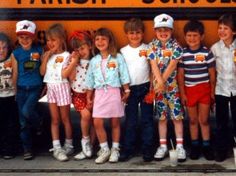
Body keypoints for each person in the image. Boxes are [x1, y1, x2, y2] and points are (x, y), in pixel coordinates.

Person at [86, 28, 130, 164]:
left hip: (114, 92)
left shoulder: (117, 57)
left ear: (109, 41)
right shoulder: (94, 60)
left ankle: (115, 148)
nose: (100, 42)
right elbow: (90, 79)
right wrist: (89, 95)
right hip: (99, 93)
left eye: (103, 39)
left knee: (115, 122)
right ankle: (104, 148)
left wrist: (127, 90)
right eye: (97, 39)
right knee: (97, 122)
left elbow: (123, 74)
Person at [146, 13, 186, 162]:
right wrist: (159, 83)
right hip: (158, 88)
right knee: (162, 118)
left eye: (166, 30)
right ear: (155, 31)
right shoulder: (152, 46)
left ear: (171, 31)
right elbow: (153, 65)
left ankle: (180, 146)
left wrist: (162, 82)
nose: (163, 33)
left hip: (172, 88)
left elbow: (172, 65)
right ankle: (163, 146)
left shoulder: (176, 46)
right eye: (160, 30)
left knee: (177, 117)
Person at [177, 20, 216, 160]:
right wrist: (182, 93)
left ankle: (206, 146)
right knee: (193, 120)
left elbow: (212, 74)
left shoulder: (207, 53)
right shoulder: (183, 54)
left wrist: (212, 92)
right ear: (185, 37)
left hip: (204, 89)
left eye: (195, 35)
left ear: (202, 36)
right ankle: (195, 146)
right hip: (189, 90)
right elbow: (181, 75)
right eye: (189, 36)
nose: (192, 39)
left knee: (204, 120)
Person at [119, 18, 154, 162]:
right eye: (131, 33)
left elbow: (152, 68)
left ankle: (147, 148)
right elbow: (121, 71)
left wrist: (152, 87)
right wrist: (124, 89)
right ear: (126, 34)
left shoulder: (148, 48)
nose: (135, 36)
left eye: (138, 32)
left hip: (145, 87)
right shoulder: (122, 51)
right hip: (130, 90)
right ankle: (128, 148)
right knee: (131, 120)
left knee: (147, 120)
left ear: (143, 33)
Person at [40, 23, 77, 162]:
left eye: (53, 40)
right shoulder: (47, 55)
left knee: (65, 118)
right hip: (51, 87)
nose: (50, 43)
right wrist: (46, 57)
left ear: (62, 39)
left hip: (62, 87)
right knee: (54, 119)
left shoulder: (67, 55)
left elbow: (65, 75)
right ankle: (56, 146)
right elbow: (42, 72)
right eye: (48, 40)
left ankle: (69, 144)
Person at [12, 20, 43, 160]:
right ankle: (27, 149)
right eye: (21, 37)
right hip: (21, 88)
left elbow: (43, 70)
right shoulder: (16, 53)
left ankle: (39, 123)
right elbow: (15, 73)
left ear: (33, 37)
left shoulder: (38, 51)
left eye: (27, 37)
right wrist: (14, 90)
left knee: (26, 111)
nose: (24, 40)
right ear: (17, 38)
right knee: (23, 122)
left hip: (35, 87)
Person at [211, 14, 236, 162]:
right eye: (219, 28)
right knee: (221, 122)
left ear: (233, 31)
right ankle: (222, 149)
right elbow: (212, 71)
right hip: (220, 89)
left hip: (235, 89)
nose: (221, 31)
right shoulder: (215, 48)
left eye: (225, 28)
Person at [68, 30, 96, 160]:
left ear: (90, 45)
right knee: (86, 116)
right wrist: (74, 62)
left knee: (93, 121)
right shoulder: (74, 61)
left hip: (93, 94)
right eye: (77, 49)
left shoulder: (95, 61)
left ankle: (90, 147)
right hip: (78, 94)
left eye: (83, 48)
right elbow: (71, 77)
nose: (81, 51)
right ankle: (85, 140)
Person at [0, 33, 18, 159]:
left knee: (10, 123)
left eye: (4, 47)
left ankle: (9, 149)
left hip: (10, 96)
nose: (1, 50)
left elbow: (16, 74)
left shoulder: (11, 58)